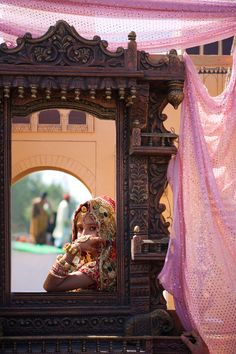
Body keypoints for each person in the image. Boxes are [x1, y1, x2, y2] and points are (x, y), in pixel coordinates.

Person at [43, 195, 116, 292]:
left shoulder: (102, 268)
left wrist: (74, 249)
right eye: (80, 229)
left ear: (106, 230)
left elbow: (50, 286)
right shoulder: (84, 261)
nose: (83, 235)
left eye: (93, 228)